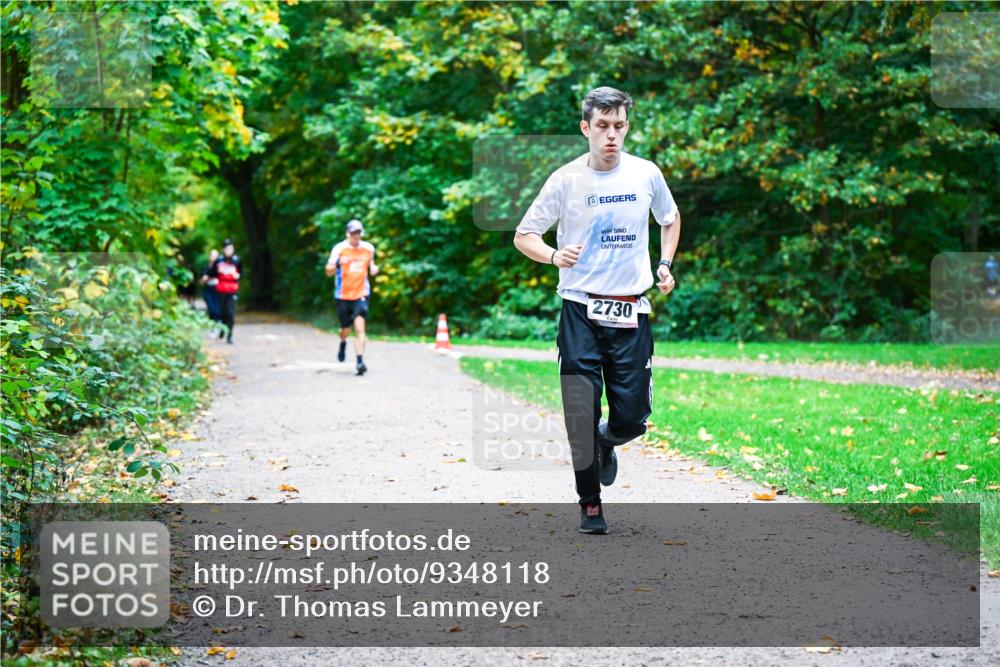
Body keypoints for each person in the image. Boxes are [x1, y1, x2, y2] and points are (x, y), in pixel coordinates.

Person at [513, 86, 681, 535]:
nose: (612, 136)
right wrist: (553, 256)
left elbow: (670, 217)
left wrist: (664, 264)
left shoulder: (646, 174)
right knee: (580, 411)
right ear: (586, 128)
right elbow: (524, 234)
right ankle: (590, 503)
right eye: (603, 126)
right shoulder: (565, 180)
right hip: (580, 311)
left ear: (626, 127)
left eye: (619, 126)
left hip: (631, 313)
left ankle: (608, 442)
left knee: (630, 418)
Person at [325, 219, 378, 375]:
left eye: (359, 232)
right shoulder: (339, 249)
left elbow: (371, 265)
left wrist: (374, 268)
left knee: (360, 327)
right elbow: (328, 271)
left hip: (361, 294)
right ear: (348, 233)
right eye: (354, 232)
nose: (357, 235)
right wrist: (333, 266)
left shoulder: (368, 248)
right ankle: (343, 342)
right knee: (345, 329)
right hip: (342, 295)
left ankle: (360, 361)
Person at [207, 240, 242, 344]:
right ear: (224, 249)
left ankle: (229, 336)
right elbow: (211, 273)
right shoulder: (219, 260)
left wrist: (237, 276)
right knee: (222, 312)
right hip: (221, 289)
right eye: (227, 248)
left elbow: (241, 273)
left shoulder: (237, 260)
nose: (229, 251)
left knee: (230, 313)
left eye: (231, 248)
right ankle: (222, 329)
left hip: (232, 290)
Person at [200, 249, 221, 325]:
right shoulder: (205, 267)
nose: (214, 257)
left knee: (217, 308)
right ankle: (213, 325)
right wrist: (204, 279)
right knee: (211, 308)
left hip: (218, 289)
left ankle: (218, 323)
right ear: (209, 256)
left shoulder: (220, 267)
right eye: (212, 255)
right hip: (208, 289)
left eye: (216, 256)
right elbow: (201, 281)